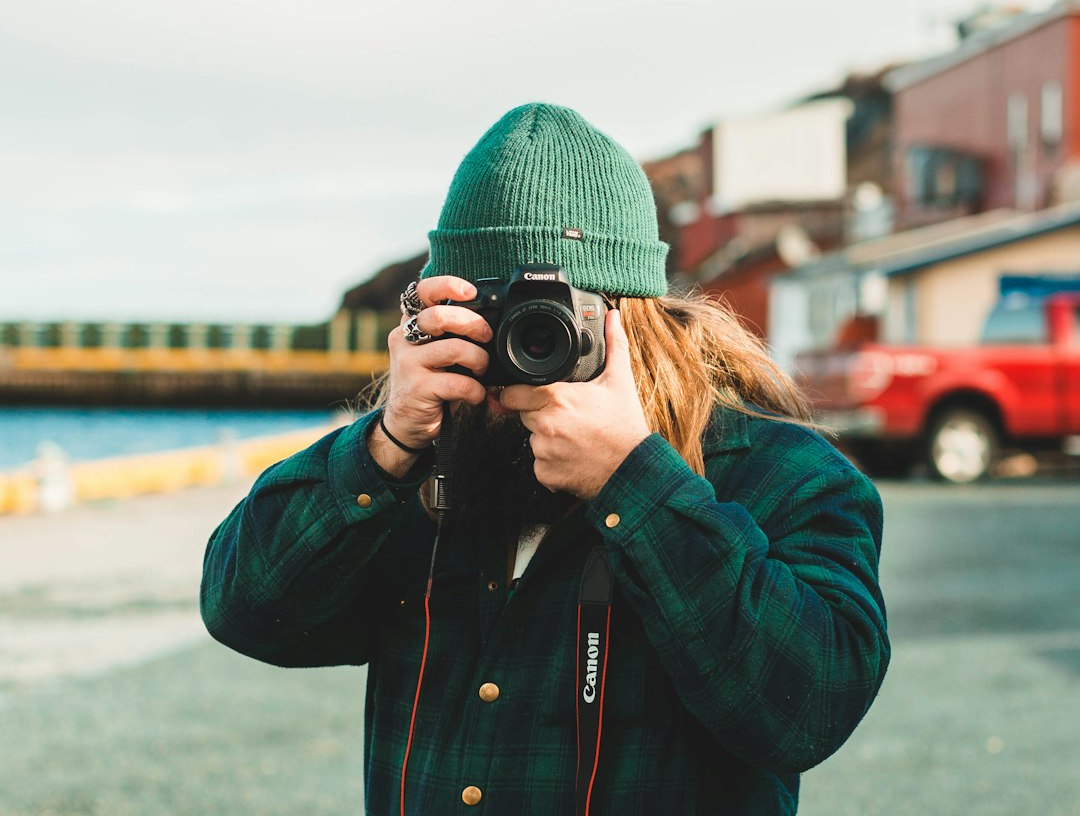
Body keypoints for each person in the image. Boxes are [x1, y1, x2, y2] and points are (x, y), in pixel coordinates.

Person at [201, 103, 889, 815]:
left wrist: (635, 481)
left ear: (632, 315)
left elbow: (811, 708)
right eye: (491, 317)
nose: (521, 357)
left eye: (554, 319)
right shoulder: (431, 463)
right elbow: (244, 610)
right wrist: (387, 441)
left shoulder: (781, 475)